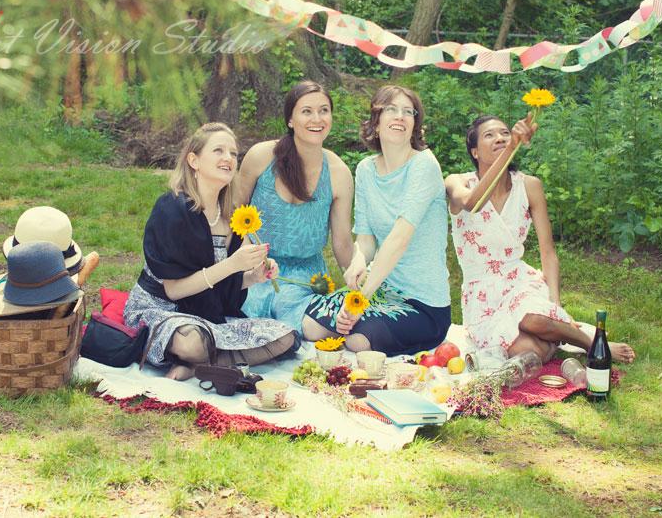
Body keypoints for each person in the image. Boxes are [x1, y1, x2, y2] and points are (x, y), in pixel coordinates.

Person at [445, 115, 635, 363]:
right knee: (530, 352)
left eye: (504, 133)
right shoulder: (457, 182)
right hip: (482, 295)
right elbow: (472, 203)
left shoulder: (529, 186)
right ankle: (560, 336)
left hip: (520, 283)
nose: (500, 138)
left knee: (533, 318)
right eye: (489, 135)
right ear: (475, 152)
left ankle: (593, 344)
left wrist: (555, 304)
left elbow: (548, 251)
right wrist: (511, 148)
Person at [122, 122, 297, 381]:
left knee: (287, 337)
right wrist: (232, 265)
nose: (228, 158)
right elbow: (174, 290)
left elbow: (222, 286)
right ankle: (205, 357)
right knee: (193, 342)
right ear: (194, 160)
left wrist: (253, 277)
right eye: (218, 151)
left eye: (234, 153)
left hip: (206, 315)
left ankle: (198, 367)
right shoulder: (171, 209)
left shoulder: (231, 218)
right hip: (163, 310)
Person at [302, 85, 451, 355]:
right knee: (312, 326)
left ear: (415, 125)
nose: (400, 116)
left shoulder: (424, 165)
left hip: (423, 304)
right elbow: (366, 238)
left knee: (358, 340)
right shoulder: (366, 170)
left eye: (408, 112)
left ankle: (379, 325)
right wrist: (359, 261)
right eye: (391, 109)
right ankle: (363, 317)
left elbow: (398, 239)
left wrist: (361, 300)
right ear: (376, 122)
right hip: (382, 292)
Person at [237, 81, 355, 332]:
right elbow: (232, 212)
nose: (317, 118)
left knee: (314, 330)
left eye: (324, 110)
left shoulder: (338, 173)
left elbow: (343, 243)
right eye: (306, 111)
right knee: (242, 324)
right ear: (290, 119)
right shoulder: (261, 156)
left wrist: (361, 287)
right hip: (254, 267)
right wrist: (243, 252)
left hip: (305, 277)